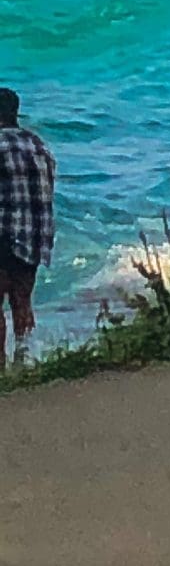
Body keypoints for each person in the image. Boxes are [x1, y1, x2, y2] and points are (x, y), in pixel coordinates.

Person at [0, 88, 55, 367]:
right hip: (33, 237)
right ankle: (23, 357)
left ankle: (0, 367)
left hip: (2, 234)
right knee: (22, 300)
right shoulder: (39, 145)